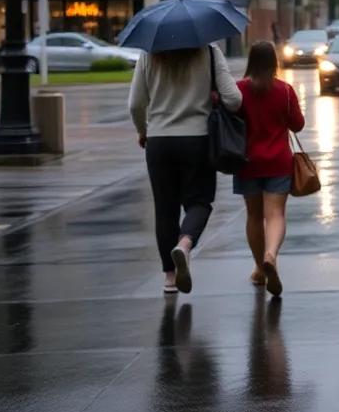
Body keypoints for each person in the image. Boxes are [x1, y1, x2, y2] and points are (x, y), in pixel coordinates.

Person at [130, 43, 243, 295]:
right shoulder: (210, 52)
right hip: (198, 139)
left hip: (159, 141)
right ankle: (185, 243)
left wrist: (143, 130)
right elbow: (234, 99)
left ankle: (170, 278)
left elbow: (136, 103)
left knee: (165, 209)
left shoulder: (149, 53)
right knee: (199, 201)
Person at [235, 41, 305, 297]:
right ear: (274, 62)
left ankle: (259, 269)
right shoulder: (284, 91)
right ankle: (270, 256)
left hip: (246, 162)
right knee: (275, 214)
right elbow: (298, 125)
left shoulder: (238, 90)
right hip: (279, 162)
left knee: (254, 216)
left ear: (250, 61)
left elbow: (223, 111)